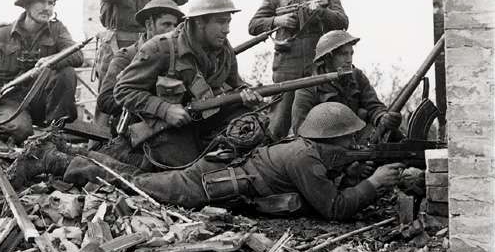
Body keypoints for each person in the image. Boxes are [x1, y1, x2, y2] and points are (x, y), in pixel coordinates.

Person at [63, 102, 405, 221]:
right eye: (348, 138)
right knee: (138, 185)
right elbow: (334, 209)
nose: (354, 143)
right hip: (213, 182)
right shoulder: (306, 159)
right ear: (330, 139)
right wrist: (373, 184)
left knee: (140, 178)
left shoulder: (309, 150)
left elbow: (324, 182)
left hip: (223, 170)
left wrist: (351, 173)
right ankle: (61, 161)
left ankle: (81, 156)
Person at [112, 0, 262, 168]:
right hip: (164, 127)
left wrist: (247, 93)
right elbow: (123, 90)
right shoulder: (161, 48)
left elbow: (237, 84)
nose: (227, 29)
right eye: (221, 22)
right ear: (199, 22)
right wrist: (165, 110)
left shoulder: (223, 49)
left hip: (205, 119)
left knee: (252, 126)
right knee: (190, 172)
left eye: (228, 22)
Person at [248, 0, 349, 140]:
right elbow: (254, 25)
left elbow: (343, 22)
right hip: (287, 67)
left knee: (323, 123)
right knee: (277, 125)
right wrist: (278, 21)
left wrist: (321, 12)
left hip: (319, 65)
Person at [0, 0, 84, 144]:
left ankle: (55, 134)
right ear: (27, 4)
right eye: (41, 1)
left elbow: (77, 55)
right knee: (20, 131)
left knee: (66, 72)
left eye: (51, 3)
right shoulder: (1, 34)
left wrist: (51, 61)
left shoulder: (57, 30)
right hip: (9, 100)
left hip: (41, 102)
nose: (47, 8)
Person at [291, 30, 402, 139]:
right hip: (326, 144)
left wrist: (382, 117)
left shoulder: (357, 76)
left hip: (357, 139)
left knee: (394, 136)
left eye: (351, 53)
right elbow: (300, 130)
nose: (349, 60)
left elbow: (373, 106)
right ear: (328, 58)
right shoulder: (307, 89)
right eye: (343, 54)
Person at [97, 0, 185, 123]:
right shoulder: (126, 57)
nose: (172, 30)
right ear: (149, 24)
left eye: (175, 25)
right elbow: (105, 100)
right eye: (166, 24)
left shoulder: (177, 57)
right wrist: (150, 103)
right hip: (136, 128)